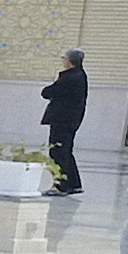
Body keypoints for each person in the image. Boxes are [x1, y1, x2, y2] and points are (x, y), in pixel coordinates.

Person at [40, 49, 87, 195]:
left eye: (64, 58)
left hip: (62, 119)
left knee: (58, 152)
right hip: (71, 120)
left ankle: (62, 186)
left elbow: (48, 92)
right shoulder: (80, 75)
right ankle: (74, 184)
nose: (63, 61)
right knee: (66, 152)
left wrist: (49, 88)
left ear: (70, 61)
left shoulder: (69, 78)